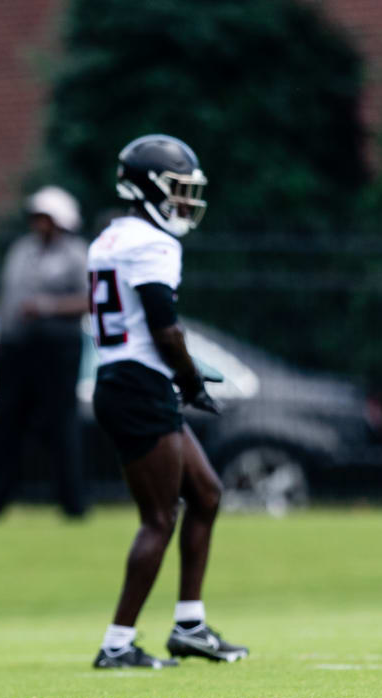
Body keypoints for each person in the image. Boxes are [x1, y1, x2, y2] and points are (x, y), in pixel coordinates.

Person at [86, 134, 248, 668]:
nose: (183, 201)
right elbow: (164, 327)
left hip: (125, 378)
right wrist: (191, 380)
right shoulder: (154, 244)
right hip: (139, 385)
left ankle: (190, 626)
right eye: (176, 189)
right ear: (149, 187)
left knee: (205, 493)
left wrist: (179, 374)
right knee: (160, 517)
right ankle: (117, 643)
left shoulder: (110, 237)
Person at [0, 186, 88, 518]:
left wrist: (47, 307)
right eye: (36, 217)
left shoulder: (75, 254)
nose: (39, 224)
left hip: (57, 349)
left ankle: (72, 502)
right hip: (15, 349)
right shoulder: (21, 250)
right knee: (7, 423)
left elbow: (88, 299)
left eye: (46, 218)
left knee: (61, 424)